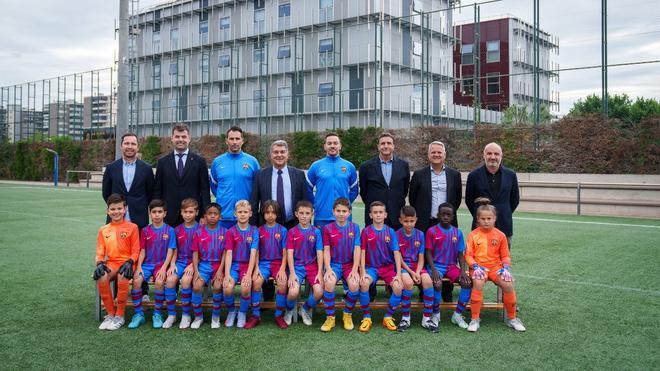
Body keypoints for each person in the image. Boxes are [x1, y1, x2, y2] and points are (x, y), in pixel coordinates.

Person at [409, 141, 462, 302]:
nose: (437, 155)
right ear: (428, 155)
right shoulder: (419, 174)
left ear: (445, 154)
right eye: (433, 152)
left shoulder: (454, 174)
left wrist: (447, 217)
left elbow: (457, 199)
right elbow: (413, 198)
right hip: (426, 222)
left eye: (440, 152)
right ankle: (424, 290)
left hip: (447, 224)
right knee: (424, 255)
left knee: (449, 256)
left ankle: (447, 289)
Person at [464, 198, 525, 332]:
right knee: (478, 283)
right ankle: (475, 319)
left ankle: (512, 318)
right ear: (477, 219)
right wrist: (474, 266)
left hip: (496, 268)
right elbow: (468, 255)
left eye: (489, 218)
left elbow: (505, 256)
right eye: (483, 219)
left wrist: (506, 268)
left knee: (508, 284)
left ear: (495, 219)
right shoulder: (472, 235)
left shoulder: (501, 235)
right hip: (479, 268)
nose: (486, 221)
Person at [127, 199, 177, 329]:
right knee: (137, 281)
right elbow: (142, 250)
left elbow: (171, 251)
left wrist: (164, 268)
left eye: (160, 212)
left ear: (164, 213)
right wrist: (138, 267)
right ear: (150, 213)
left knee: (160, 282)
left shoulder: (170, 230)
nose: (157, 214)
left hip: (162, 265)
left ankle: (158, 313)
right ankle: (138, 314)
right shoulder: (145, 230)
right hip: (147, 264)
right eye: (154, 212)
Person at [94, 194, 140, 331]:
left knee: (122, 275)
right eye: (113, 209)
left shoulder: (132, 227)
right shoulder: (103, 230)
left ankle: (120, 315)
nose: (116, 212)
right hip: (112, 263)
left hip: (128, 263)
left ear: (125, 209)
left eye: (119, 208)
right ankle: (110, 315)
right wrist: (99, 263)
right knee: (101, 276)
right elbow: (100, 251)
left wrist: (131, 261)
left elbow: (136, 250)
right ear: (108, 211)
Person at [425, 203, 472, 331]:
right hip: (436, 266)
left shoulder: (457, 233)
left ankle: (457, 315)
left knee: (467, 283)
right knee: (437, 284)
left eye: (448, 215)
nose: (445, 217)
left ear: (452, 216)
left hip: (451, 267)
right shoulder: (431, 231)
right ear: (438, 215)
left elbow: (460, 254)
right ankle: (436, 314)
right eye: (443, 214)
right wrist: (433, 269)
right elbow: (428, 252)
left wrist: (462, 271)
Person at [358, 201, 403, 333]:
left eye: (380, 212)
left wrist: (399, 274)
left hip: (388, 268)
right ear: (370, 215)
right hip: (371, 268)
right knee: (364, 284)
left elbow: (396, 253)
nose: (378, 215)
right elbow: (362, 252)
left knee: (398, 287)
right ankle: (366, 317)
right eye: (375, 212)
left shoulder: (390, 232)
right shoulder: (365, 232)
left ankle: (388, 316)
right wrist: (362, 272)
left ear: (385, 215)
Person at [154, 123, 211, 226]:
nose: (180, 139)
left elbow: (205, 190)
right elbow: (158, 190)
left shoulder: (200, 162)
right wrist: (157, 212)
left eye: (184, 137)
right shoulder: (162, 162)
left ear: (189, 138)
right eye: (177, 136)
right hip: (169, 217)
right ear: (172, 138)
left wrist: (204, 214)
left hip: (193, 216)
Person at [465, 142, 520, 249]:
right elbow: (469, 200)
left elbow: (515, 200)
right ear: (484, 155)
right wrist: (481, 217)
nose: (493, 157)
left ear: (501, 156)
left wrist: (502, 213)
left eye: (496, 154)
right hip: (480, 227)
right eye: (489, 153)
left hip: (504, 226)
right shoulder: (473, 176)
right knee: (479, 260)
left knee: (502, 261)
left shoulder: (511, 175)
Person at [320, 198, 361, 332]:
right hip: (334, 265)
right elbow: (326, 250)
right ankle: (330, 317)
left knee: (354, 284)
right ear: (333, 212)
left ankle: (347, 314)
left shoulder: (355, 227)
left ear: (349, 212)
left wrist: (355, 269)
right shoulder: (327, 228)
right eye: (338, 211)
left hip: (349, 265)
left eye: (344, 211)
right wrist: (328, 268)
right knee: (329, 282)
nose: (341, 214)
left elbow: (357, 249)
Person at [246, 200, 289, 329]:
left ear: (277, 214)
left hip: (278, 264)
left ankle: (279, 315)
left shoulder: (283, 230)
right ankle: (255, 316)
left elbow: (285, 252)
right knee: (256, 281)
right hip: (263, 264)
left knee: (282, 283)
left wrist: (282, 268)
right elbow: (256, 251)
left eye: (273, 212)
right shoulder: (258, 231)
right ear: (263, 214)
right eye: (267, 212)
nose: (270, 215)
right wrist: (257, 268)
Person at [250, 140, 310, 229]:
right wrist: (253, 225)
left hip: (293, 225)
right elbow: (254, 202)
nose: (279, 155)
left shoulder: (299, 174)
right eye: (275, 152)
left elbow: (305, 201)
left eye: (282, 152)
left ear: (287, 154)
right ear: (271, 155)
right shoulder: (260, 175)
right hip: (268, 226)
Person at [102, 132, 154, 230]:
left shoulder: (147, 169)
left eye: (133, 144)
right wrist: (116, 207)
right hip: (115, 220)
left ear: (137, 147)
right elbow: (106, 193)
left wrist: (139, 205)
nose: (130, 146)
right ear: (121, 146)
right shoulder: (111, 168)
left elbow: (150, 193)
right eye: (127, 143)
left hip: (139, 221)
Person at [210, 126, 260, 229]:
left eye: (237, 139)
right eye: (231, 139)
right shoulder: (217, 162)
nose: (234, 142)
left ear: (242, 141)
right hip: (223, 217)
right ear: (226, 141)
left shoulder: (252, 161)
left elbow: (257, 188)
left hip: (245, 217)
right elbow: (214, 186)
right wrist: (224, 198)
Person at [284, 201, 324, 326]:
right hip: (297, 267)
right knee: (293, 292)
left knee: (319, 291)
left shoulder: (316, 232)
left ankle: (304, 309)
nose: (304, 216)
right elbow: (289, 253)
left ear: (312, 214)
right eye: (301, 213)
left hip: (312, 267)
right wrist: (291, 273)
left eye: (307, 213)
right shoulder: (292, 232)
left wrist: (320, 272)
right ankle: (289, 310)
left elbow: (319, 253)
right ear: (296, 214)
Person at [358, 132, 410, 229]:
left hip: (396, 217)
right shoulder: (366, 167)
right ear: (378, 146)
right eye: (382, 143)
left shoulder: (403, 165)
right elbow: (364, 192)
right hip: (374, 217)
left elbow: (404, 190)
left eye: (389, 143)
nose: (386, 146)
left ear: (393, 146)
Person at [395, 205, 434, 332]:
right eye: (406, 221)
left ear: (416, 220)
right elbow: (399, 259)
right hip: (403, 266)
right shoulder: (396, 234)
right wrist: (412, 273)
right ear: (400, 220)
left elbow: (421, 257)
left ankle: (427, 319)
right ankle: (406, 317)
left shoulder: (420, 234)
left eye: (411, 221)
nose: (409, 224)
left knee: (428, 281)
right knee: (408, 282)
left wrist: (417, 272)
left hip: (417, 266)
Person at [306, 133, 358, 227]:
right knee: (322, 242)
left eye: (335, 143)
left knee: (344, 242)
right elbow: (307, 189)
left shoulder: (349, 166)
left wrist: (346, 204)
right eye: (329, 143)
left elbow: (354, 190)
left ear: (340, 146)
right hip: (322, 217)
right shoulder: (316, 166)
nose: (332, 146)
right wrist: (316, 204)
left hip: (343, 217)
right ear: (325, 146)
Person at [189, 203, 228, 329]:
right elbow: (195, 253)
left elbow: (225, 254)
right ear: (205, 216)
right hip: (204, 265)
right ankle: (198, 317)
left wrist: (221, 270)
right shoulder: (198, 233)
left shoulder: (225, 232)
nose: (212, 216)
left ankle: (215, 317)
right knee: (196, 286)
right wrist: (196, 271)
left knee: (217, 287)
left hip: (218, 266)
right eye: (209, 214)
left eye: (215, 214)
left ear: (220, 216)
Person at [163, 198, 200, 329]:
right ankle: (172, 315)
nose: (188, 215)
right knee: (170, 280)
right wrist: (172, 264)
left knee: (185, 281)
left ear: (196, 212)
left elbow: (202, 251)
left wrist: (192, 265)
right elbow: (174, 249)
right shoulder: (176, 230)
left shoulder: (201, 229)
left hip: (195, 263)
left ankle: (186, 315)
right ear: (181, 213)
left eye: (191, 212)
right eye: (185, 212)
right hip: (179, 262)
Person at [223, 200, 259, 328]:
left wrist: (249, 274)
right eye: (240, 212)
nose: (242, 214)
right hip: (234, 266)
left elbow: (253, 254)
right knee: (227, 288)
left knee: (245, 287)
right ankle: (232, 311)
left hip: (247, 266)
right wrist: (227, 274)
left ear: (250, 214)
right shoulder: (230, 232)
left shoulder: (254, 231)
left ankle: (243, 312)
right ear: (235, 214)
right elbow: (228, 254)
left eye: (245, 212)